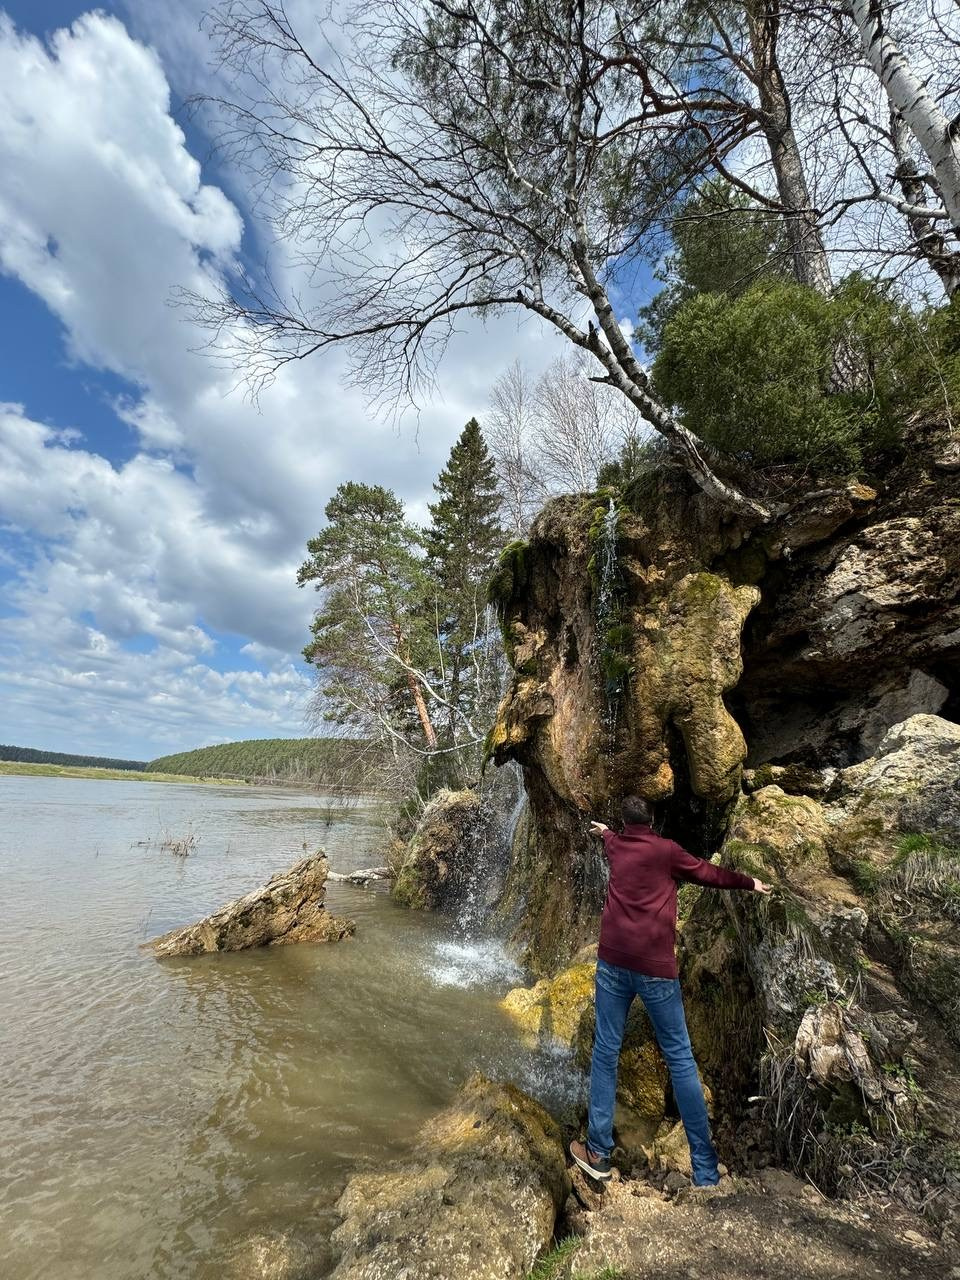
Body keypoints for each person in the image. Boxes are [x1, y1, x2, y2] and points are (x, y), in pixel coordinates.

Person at [570, 794, 771, 1188]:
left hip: (612, 965)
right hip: (656, 971)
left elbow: (612, 839)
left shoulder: (617, 846)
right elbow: (709, 874)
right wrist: (750, 882)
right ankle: (705, 1170)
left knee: (605, 1052)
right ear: (655, 820)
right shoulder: (666, 852)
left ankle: (597, 1153)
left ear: (625, 826)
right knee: (680, 1058)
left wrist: (605, 831)